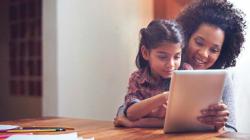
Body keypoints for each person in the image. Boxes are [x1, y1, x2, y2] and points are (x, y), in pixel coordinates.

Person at [114, 0, 246, 132]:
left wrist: (219, 124)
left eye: (214, 50)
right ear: (186, 37)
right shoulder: (163, 71)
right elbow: (124, 112)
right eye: (199, 42)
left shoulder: (222, 79)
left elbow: (231, 131)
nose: (204, 54)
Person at [114, 19, 193, 127]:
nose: (171, 64)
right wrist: (164, 97)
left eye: (176, 56)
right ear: (146, 53)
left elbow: (187, 120)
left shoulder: (186, 73)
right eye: (162, 57)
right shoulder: (137, 78)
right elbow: (131, 113)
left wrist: (139, 122)